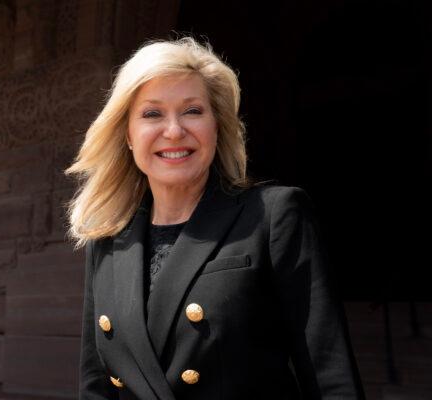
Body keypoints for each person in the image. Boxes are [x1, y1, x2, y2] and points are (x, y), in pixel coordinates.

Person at [66, 37, 365, 400]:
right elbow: (95, 387)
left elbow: (328, 373)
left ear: (217, 126)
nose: (174, 130)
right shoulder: (108, 238)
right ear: (128, 136)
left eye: (193, 111)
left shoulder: (274, 215)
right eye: (152, 113)